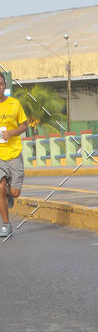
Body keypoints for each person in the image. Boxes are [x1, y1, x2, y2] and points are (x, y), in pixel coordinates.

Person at [0, 73, 29, 237]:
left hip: (14, 153)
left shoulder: (14, 104)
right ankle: (6, 225)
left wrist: (12, 132)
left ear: (5, 86)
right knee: (0, 187)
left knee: (15, 192)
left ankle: (10, 195)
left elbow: (24, 126)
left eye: (1, 84)